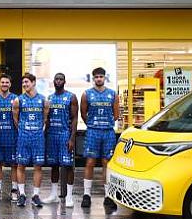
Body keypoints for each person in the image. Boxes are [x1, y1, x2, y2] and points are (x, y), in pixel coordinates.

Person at [80, 67, 119, 210]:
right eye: (96, 77)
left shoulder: (113, 94)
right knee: (90, 162)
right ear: (93, 78)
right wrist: (92, 124)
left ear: (105, 78)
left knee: (106, 163)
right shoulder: (87, 94)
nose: (99, 79)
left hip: (108, 131)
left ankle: (108, 196)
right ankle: (86, 195)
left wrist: (105, 123)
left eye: (101, 77)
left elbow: (116, 114)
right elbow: (83, 114)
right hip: (93, 131)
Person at [12, 73, 49, 208]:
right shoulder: (18, 100)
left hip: (38, 137)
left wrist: (37, 129)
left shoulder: (43, 100)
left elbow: (45, 118)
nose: (25, 85)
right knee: (20, 165)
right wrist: (23, 129)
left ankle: (36, 195)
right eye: (23, 83)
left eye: (27, 82)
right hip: (23, 136)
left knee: (38, 166)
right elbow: (15, 119)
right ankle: (22, 194)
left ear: (33, 82)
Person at [43, 73, 78, 208]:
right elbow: (46, 118)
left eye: (61, 79)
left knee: (68, 165)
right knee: (54, 165)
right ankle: (53, 195)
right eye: (56, 79)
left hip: (65, 134)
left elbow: (74, 118)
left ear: (65, 81)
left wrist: (72, 138)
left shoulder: (71, 97)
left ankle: (69, 196)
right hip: (52, 135)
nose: (58, 81)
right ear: (53, 81)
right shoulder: (50, 98)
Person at [0, 75, 19, 202]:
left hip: (13, 137)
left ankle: (14, 190)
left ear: (10, 84)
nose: (4, 84)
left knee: (14, 165)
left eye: (6, 82)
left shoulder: (16, 99)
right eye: (2, 82)